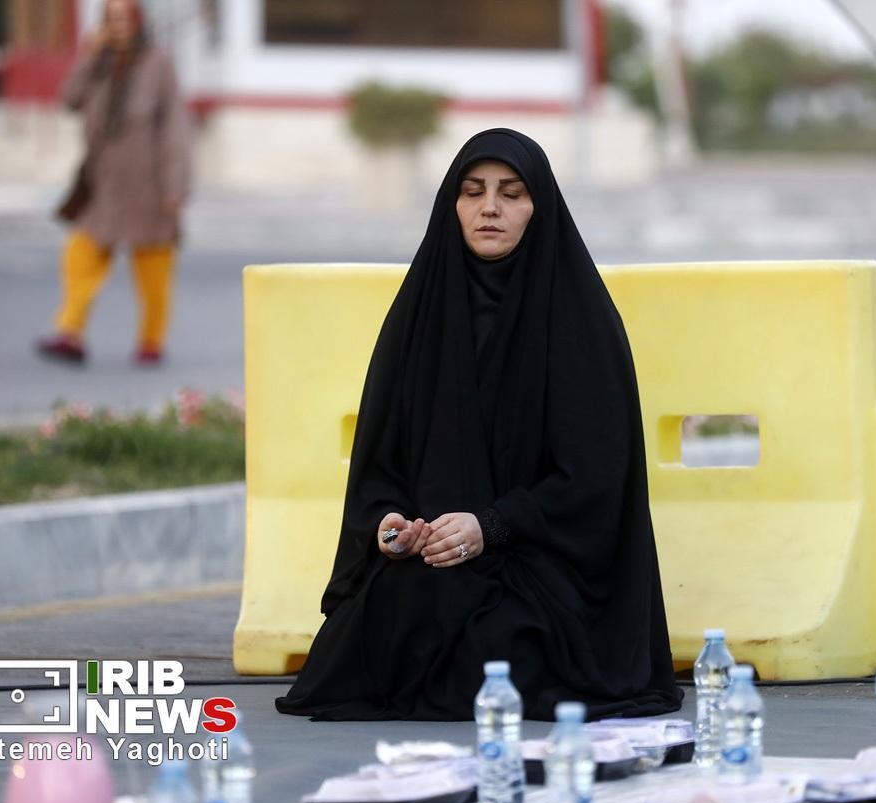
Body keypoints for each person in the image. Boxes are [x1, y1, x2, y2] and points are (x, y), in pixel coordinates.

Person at [275, 129, 683, 722]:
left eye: (511, 194)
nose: (490, 208)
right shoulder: (420, 317)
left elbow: (594, 481)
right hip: (437, 554)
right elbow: (380, 465)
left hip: (543, 560)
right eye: (473, 192)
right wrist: (390, 524)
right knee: (383, 619)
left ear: (539, 208)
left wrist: (490, 525)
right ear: (453, 206)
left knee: (503, 641)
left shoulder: (580, 322)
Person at [35, 0, 191, 366]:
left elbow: (174, 127)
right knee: (80, 255)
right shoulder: (99, 61)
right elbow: (70, 99)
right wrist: (91, 56)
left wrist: (175, 185)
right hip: (102, 183)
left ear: (138, 21)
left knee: (154, 268)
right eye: (111, 18)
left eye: (124, 18)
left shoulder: (157, 62)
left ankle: (151, 341)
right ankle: (70, 333)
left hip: (147, 184)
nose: (118, 25)